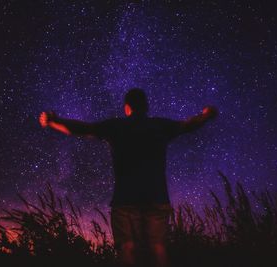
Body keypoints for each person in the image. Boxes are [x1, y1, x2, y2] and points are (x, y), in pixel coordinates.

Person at [39, 88, 218, 267]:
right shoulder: (160, 126)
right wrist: (206, 115)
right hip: (156, 197)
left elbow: (81, 129)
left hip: (125, 199)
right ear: (146, 107)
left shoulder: (116, 127)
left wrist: (54, 121)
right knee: (158, 247)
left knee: (127, 248)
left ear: (127, 108)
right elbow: (189, 125)